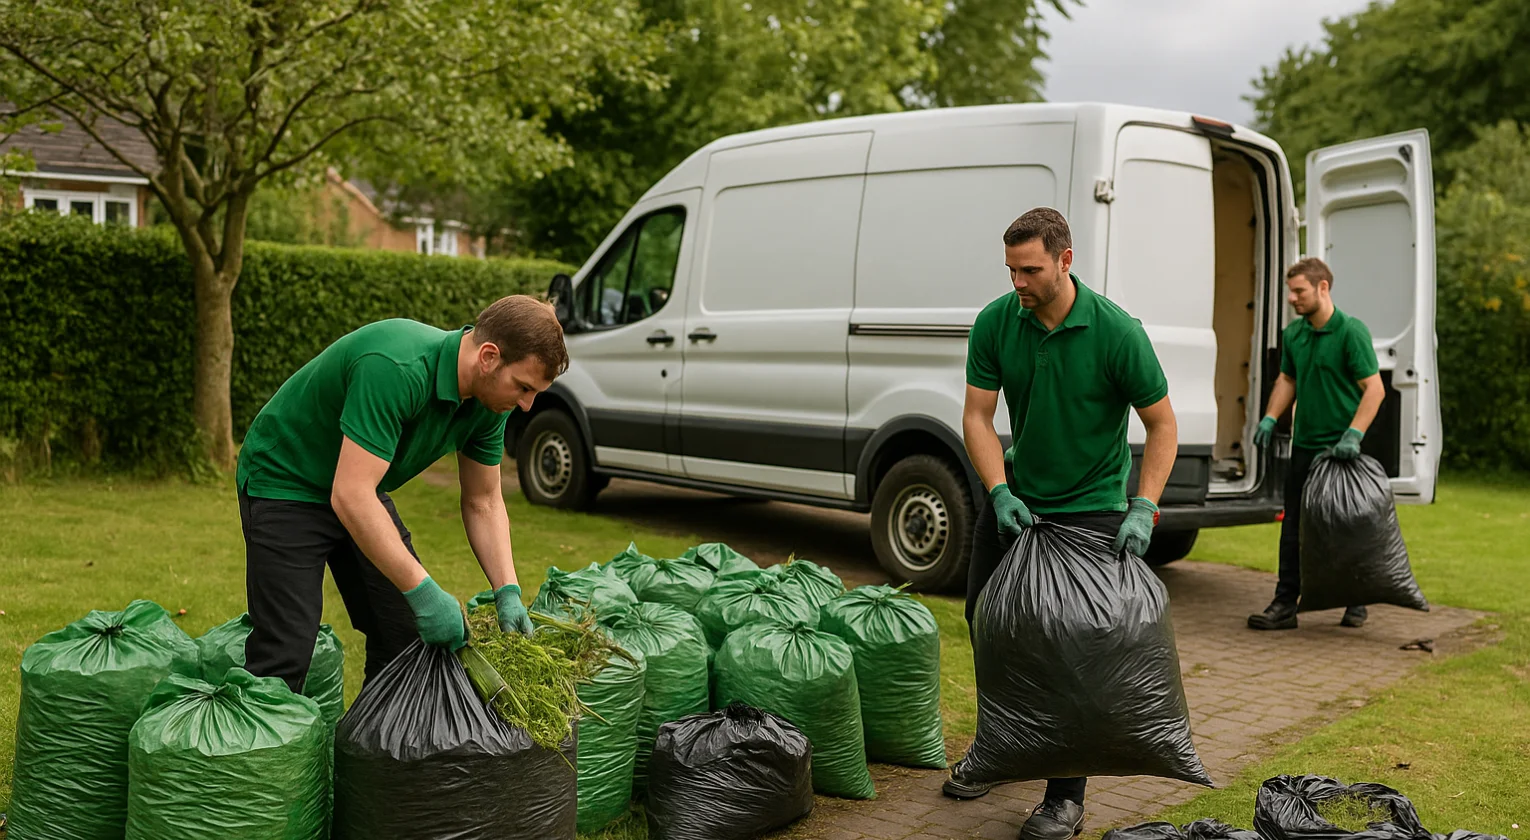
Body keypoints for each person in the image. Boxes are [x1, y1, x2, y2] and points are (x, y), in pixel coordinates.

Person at [947, 207, 1180, 840]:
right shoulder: (998, 322)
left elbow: (1162, 425)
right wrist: (997, 490)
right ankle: (998, 749)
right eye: (1011, 270)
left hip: (1092, 513)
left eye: (1030, 270)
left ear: (1065, 261)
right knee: (988, 625)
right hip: (1018, 505)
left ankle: (1064, 796)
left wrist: (1144, 506)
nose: (1018, 283)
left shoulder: (1114, 332)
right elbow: (976, 415)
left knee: (1074, 650)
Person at [234, 294, 567, 694]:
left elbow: (485, 501)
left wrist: (507, 590)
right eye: (524, 387)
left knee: (403, 635)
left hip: (358, 484)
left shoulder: (490, 404)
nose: (528, 405)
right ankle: (259, 754)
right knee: (285, 651)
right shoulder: (396, 367)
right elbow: (351, 496)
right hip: (286, 478)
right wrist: (423, 590)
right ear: (489, 357)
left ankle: (372, 751)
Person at [1248, 258, 1384, 631]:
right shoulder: (1295, 335)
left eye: (1299, 291)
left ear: (1323, 288)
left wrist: (1353, 434)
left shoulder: (1351, 332)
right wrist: (1272, 416)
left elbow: (1374, 388)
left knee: (1346, 527)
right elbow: (1288, 379)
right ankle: (1285, 603)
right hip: (1305, 448)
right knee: (1293, 526)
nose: (1292, 298)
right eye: (1291, 291)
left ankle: (1356, 600)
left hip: (1342, 453)